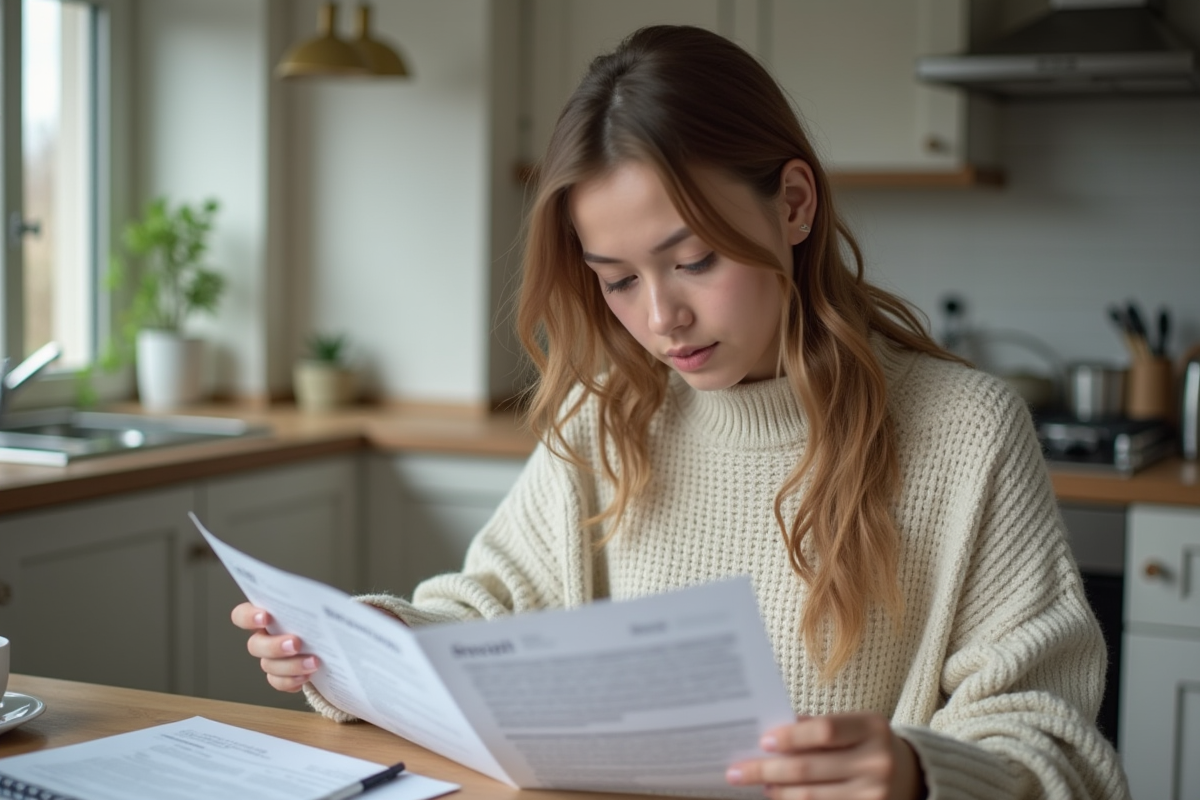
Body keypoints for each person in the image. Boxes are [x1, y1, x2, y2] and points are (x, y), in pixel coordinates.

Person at [234, 25, 1128, 800]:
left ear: (794, 204)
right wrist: (365, 646)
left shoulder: (965, 430)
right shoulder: (607, 415)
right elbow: (494, 616)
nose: (661, 319)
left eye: (694, 260)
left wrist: (917, 773)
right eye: (618, 280)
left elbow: (1054, 750)